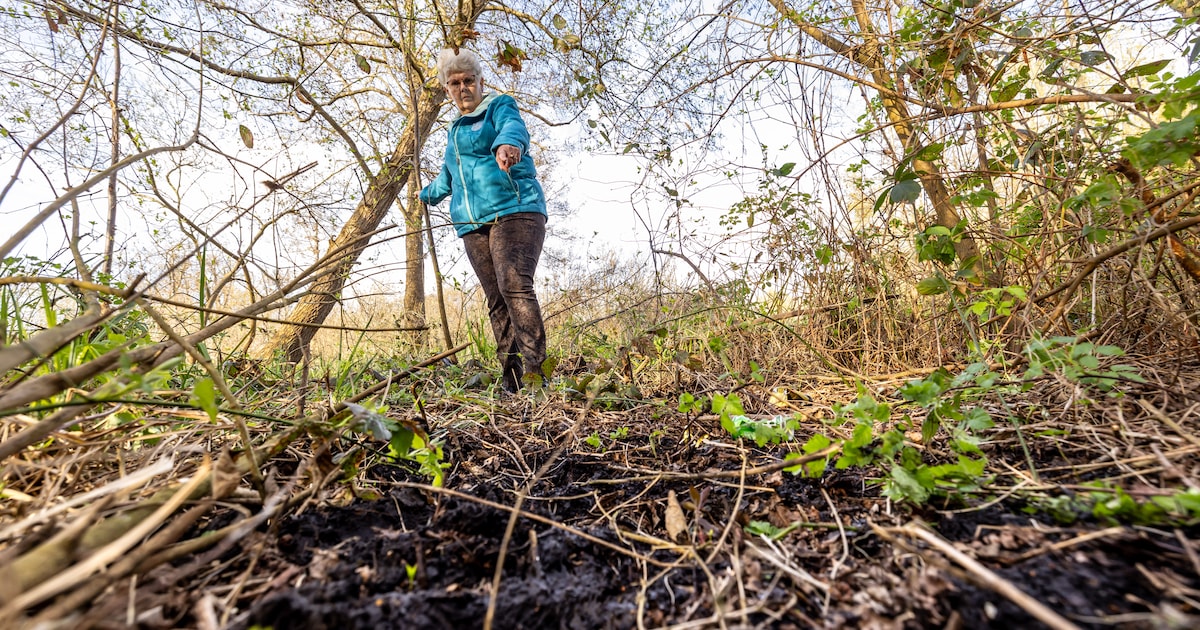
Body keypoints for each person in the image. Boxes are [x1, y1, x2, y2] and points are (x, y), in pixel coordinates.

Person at [419, 48, 549, 393]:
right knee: (496, 299)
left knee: (514, 286)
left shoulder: (499, 106)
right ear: (447, 89)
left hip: (514, 209)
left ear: (480, 81)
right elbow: (448, 181)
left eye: (468, 80)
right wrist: (424, 193)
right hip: (472, 223)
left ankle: (537, 377)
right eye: (454, 83)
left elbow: (513, 128)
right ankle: (513, 382)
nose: (462, 88)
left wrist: (507, 144)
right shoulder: (453, 132)